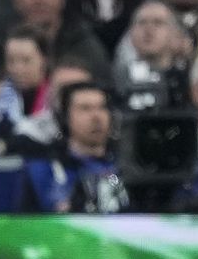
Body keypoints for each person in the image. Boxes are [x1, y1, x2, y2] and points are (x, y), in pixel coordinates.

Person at [22, 82, 124, 212]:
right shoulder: (43, 168)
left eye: (102, 107)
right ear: (64, 117)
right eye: (85, 108)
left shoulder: (126, 165)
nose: (96, 116)